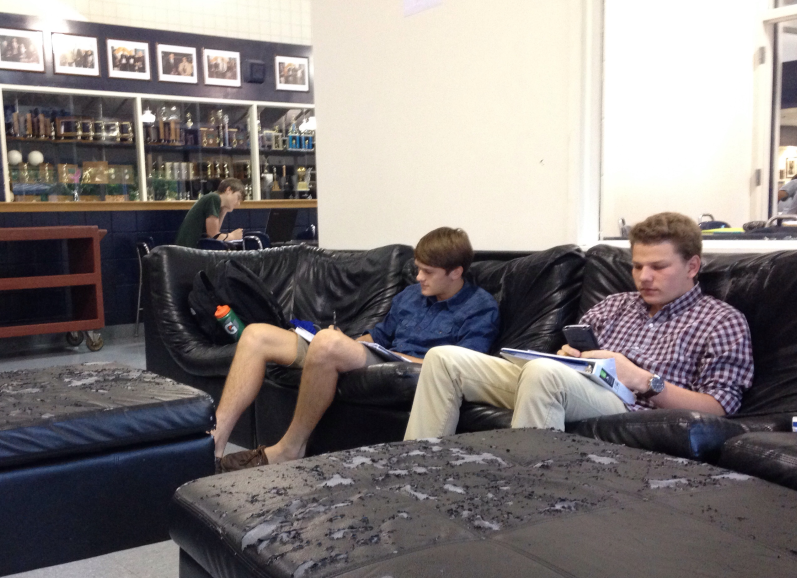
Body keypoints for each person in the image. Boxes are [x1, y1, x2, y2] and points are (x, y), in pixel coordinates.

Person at [404, 212, 754, 440]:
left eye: (658, 267)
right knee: (444, 357)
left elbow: (719, 409)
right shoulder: (614, 305)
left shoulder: (720, 321)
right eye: (637, 266)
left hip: (630, 406)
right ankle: (416, 474)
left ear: (693, 266)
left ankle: (524, 501)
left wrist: (642, 379)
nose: (643, 277)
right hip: (571, 386)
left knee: (544, 374)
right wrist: (568, 355)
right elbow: (566, 360)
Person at [217, 227, 501, 471]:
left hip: (413, 370)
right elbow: (377, 335)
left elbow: (463, 366)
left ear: (456, 272)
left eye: (427, 272)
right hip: (377, 357)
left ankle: (290, 448)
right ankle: (212, 447)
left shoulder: (479, 307)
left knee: (328, 345)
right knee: (256, 335)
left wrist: (344, 347)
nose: (418, 278)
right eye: (417, 268)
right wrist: (347, 342)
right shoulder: (411, 296)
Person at [174, 179, 245, 247]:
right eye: (238, 198)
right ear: (228, 190)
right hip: (189, 250)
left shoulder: (216, 201)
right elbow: (213, 235)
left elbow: (214, 237)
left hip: (190, 249)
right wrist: (233, 236)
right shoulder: (213, 198)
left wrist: (224, 210)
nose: (238, 203)